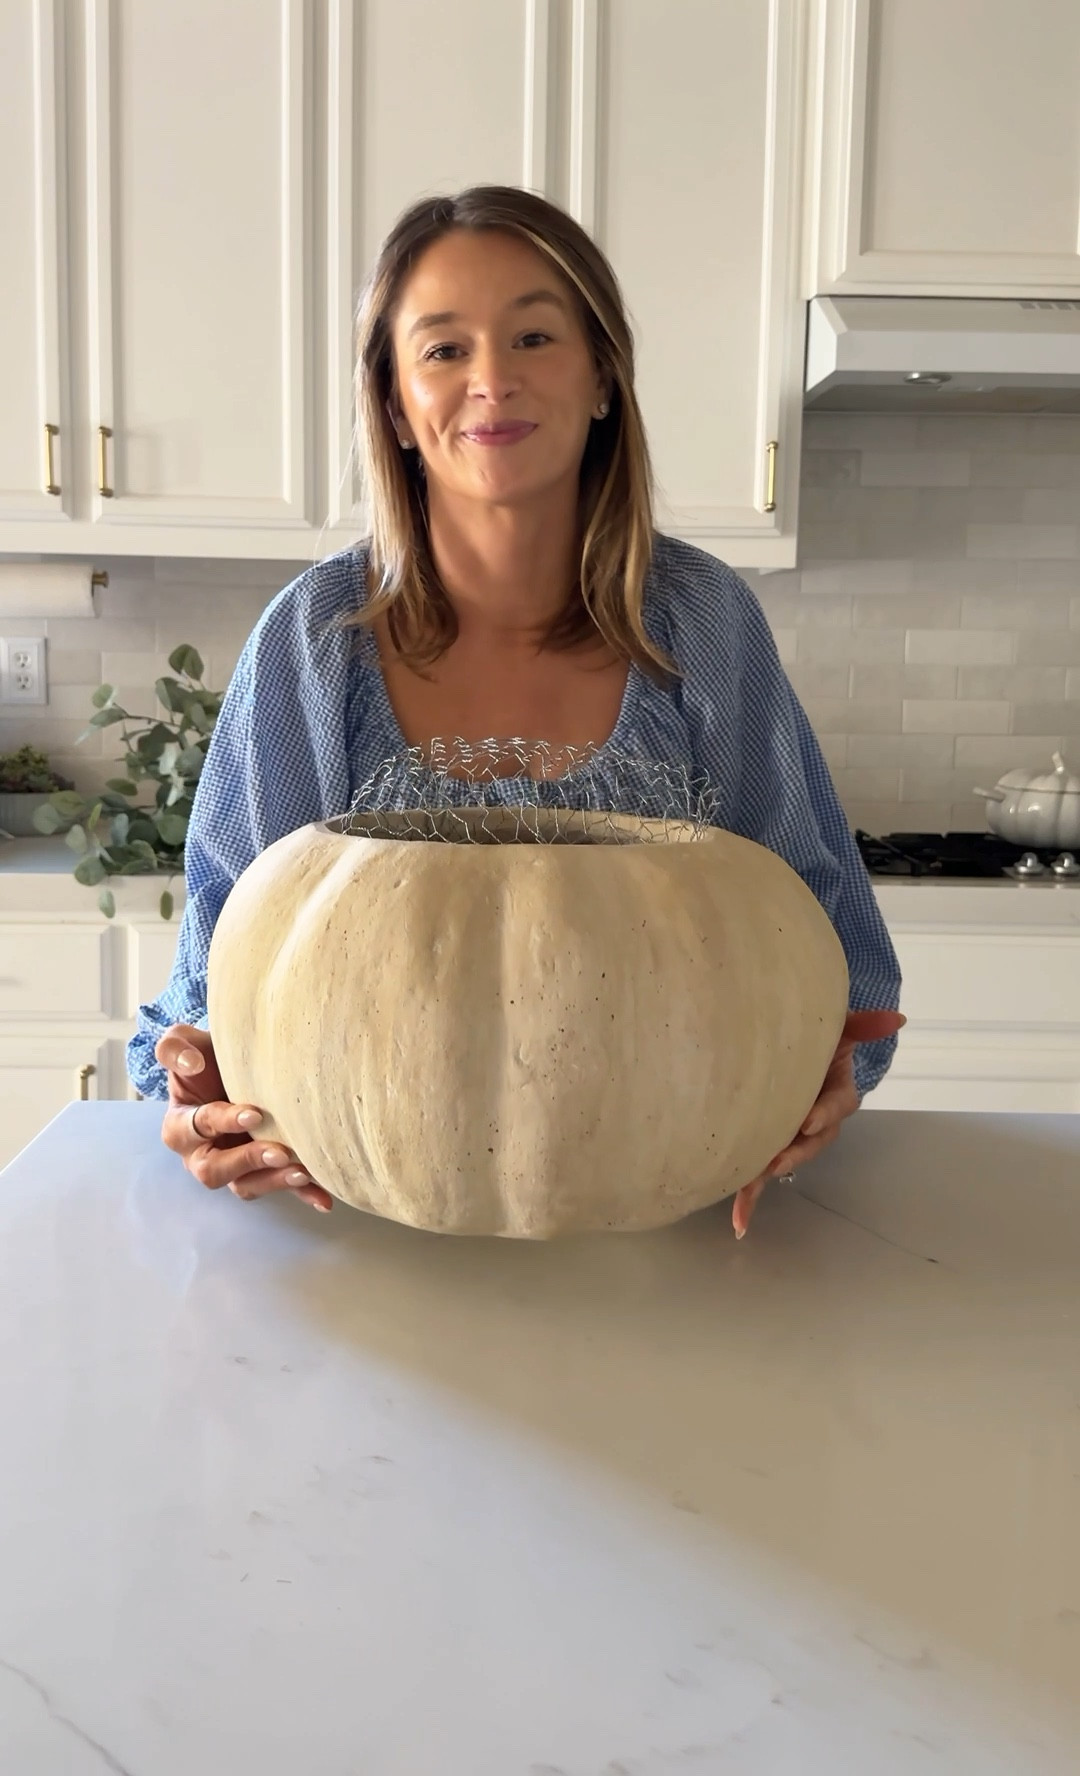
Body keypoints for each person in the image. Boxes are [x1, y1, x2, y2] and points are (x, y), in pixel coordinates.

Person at [130, 185, 904, 1239]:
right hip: (360, 1236)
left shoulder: (702, 619)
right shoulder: (316, 639)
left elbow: (826, 926)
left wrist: (832, 1068)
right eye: (443, 351)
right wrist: (195, 1094)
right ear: (396, 404)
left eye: (535, 335)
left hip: (676, 1234)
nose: (491, 380)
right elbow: (223, 966)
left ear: (600, 378)